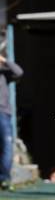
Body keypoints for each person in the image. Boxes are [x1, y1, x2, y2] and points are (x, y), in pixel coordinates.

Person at [0, 49, 23, 192]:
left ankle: (4, 179)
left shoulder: (3, 73)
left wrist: (3, 60)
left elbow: (19, 72)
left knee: (7, 147)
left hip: (3, 113)